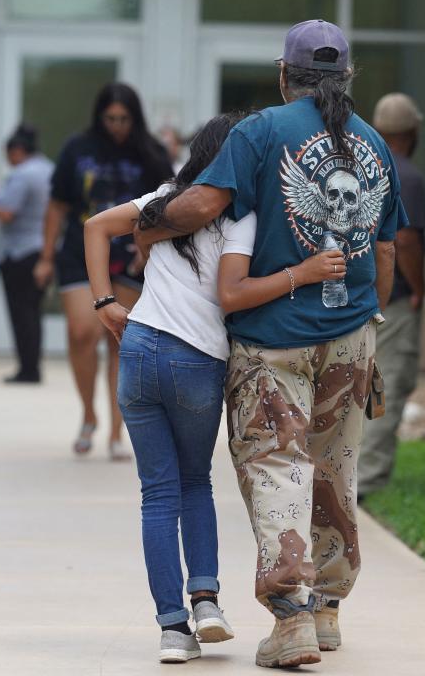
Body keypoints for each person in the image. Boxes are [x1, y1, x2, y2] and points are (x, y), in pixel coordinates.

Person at [135, 19, 403, 669]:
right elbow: (389, 252)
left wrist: (145, 224)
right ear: (347, 77)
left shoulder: (260, 132)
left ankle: (292, 619)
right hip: (353, 336)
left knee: (275, 465)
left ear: (287, 76)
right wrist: (370, 316)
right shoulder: (374, 145)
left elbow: (202, 207)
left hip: (272, 339)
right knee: (334, 471)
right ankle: (328, 610)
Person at [84, 112, 349, 664]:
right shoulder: (241, 214)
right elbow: (235, 294)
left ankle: (172, 631)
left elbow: (94, 227)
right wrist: (304, 273)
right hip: (195, 361)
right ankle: (205, 601)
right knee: (194, 483)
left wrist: (105, 301)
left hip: (138, 352)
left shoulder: (165, 198)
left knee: (157, 493)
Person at [34, 83, 173, 459]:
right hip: (79, 253)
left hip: (131, 256)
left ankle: (116, 429)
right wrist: (45, 256)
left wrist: (150, 247)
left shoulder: (151, 152)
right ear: (99, 116)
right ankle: (88, 414)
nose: (117, 125)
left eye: (124, 119)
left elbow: (169, 206)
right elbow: (58, 205)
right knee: (81, 332)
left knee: (121, 341)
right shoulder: (77, 149)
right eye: (110, 118)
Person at [358, 93, 425, 499]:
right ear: (413, 131)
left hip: (355, 293)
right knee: (387, 384)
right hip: (392, 297)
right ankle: (366, 480)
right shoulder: (409, 175)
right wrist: (419, 288)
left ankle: (347, 470)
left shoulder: (365, 164)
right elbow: (405, 239)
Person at [0, 124, 52, 384]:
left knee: (21, 314)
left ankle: (27, 369)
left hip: (19, 252)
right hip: (43, 248)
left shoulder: (21, 174)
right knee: (33, 312)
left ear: (17, 151)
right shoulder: (50, 169)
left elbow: (7, 212)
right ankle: (33, 366)